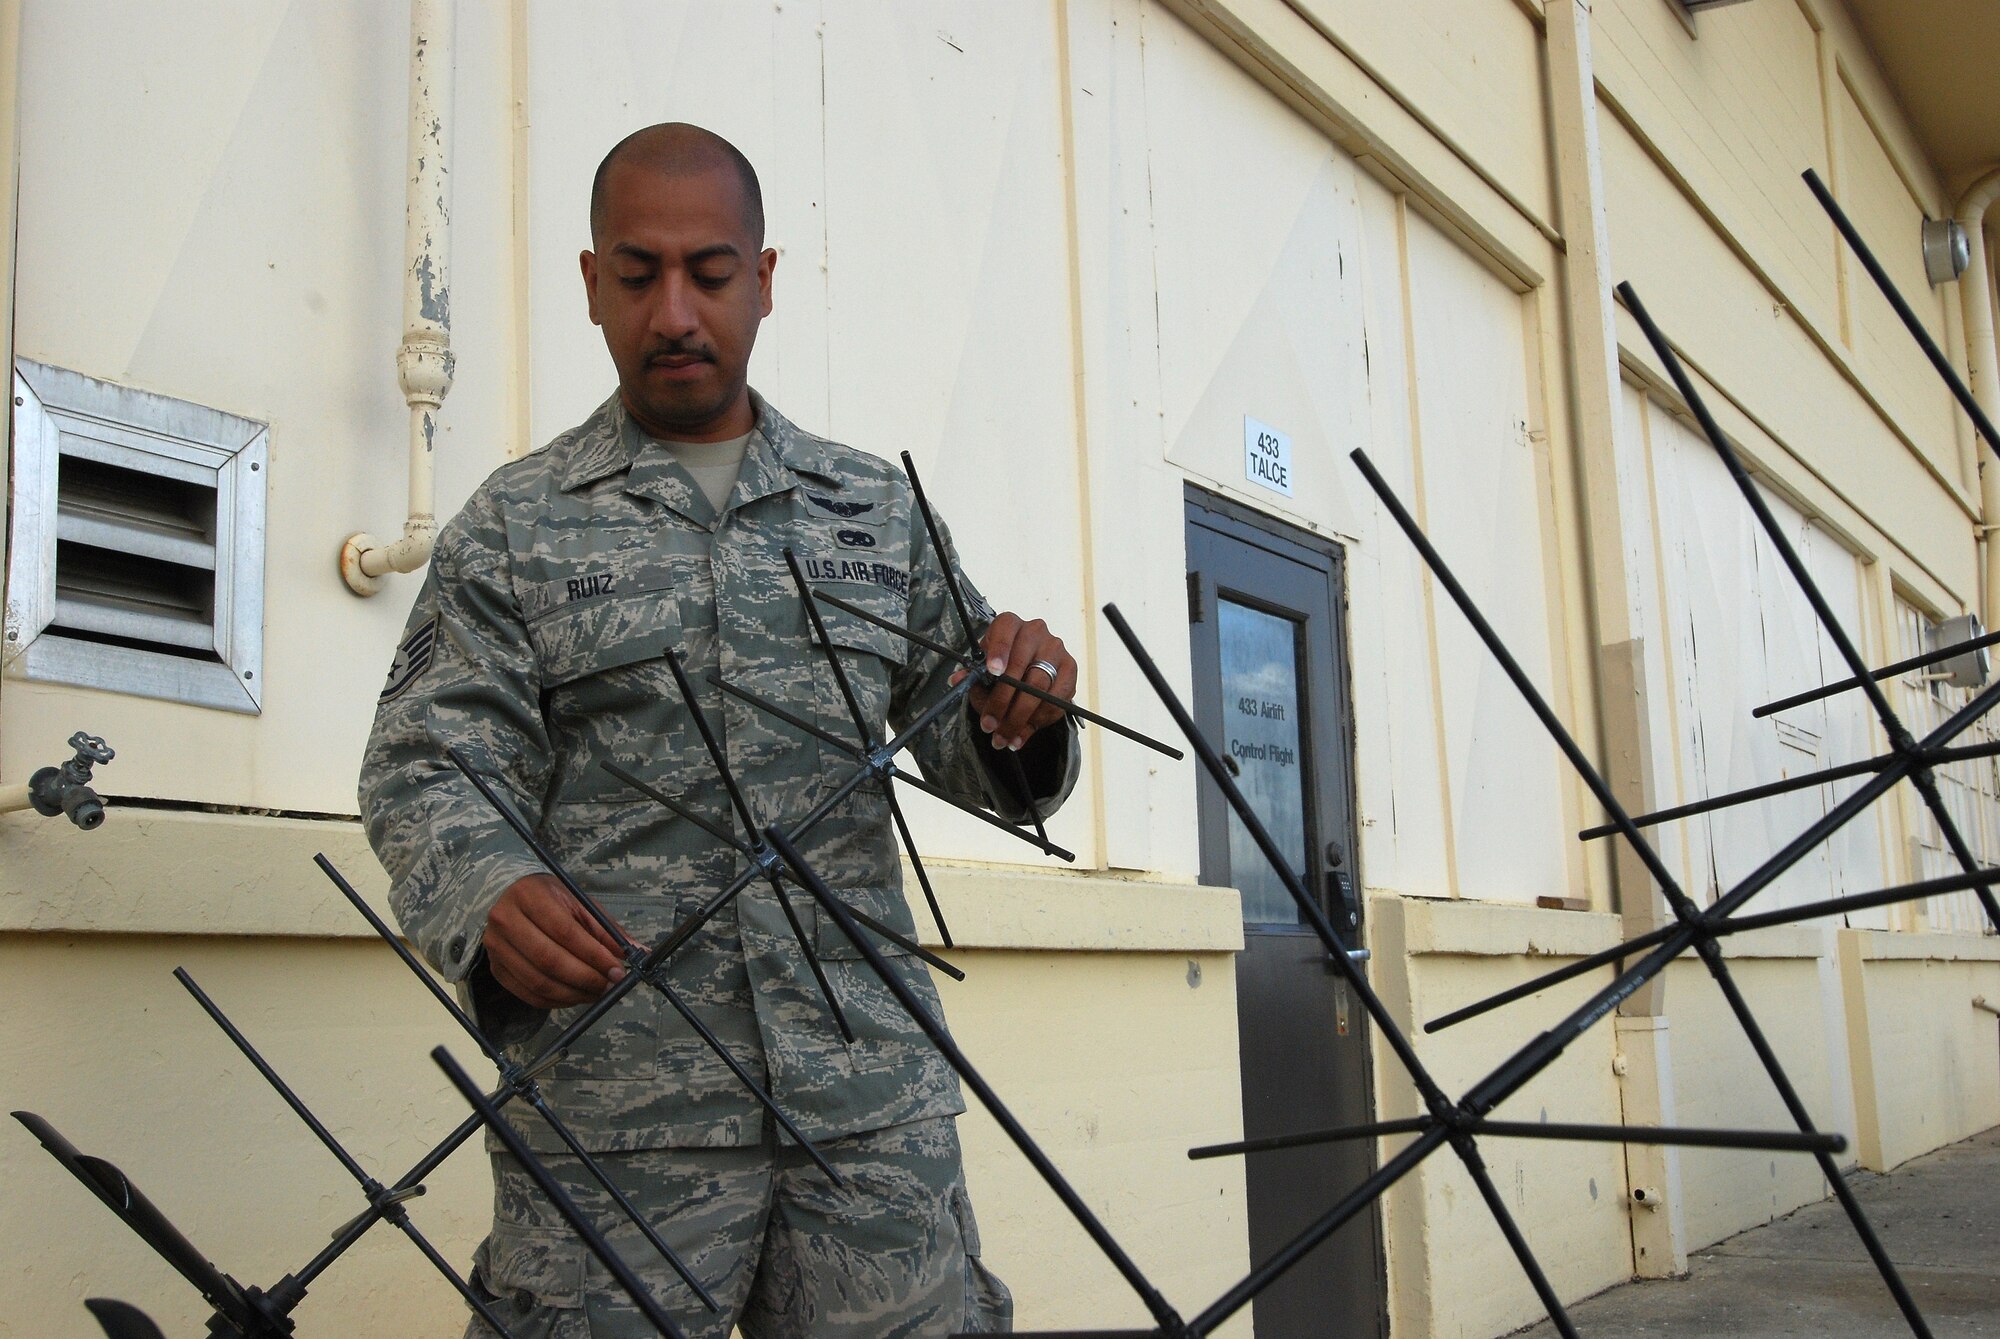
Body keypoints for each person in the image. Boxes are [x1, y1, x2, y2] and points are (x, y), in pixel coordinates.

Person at [359, 123, 1081, 1339]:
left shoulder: (873, 506)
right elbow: (428, 759)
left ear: (763, 278)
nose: (675, 312)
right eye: (638, 275)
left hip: (864, 1107)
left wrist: (1024, 714)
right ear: (591, 284)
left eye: (710, 271)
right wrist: (487, 890)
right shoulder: (513, 526)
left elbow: (974, 744)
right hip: (618, 1111)